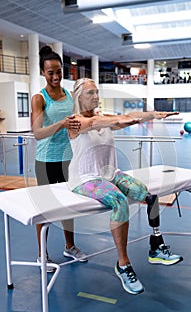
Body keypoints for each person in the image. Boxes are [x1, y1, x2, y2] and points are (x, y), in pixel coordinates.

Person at [67, 77, 183, 295]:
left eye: (97, 92)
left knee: (149, 196)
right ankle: (123, 264)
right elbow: (94, 123)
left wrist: (155, 115)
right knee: (119, 201)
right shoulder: (74, 121)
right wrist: (120, 119)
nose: (95, 97)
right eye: (90, 93)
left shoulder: (106, 119)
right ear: (78, 96)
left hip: (110, 173)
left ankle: (156, 247)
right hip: (84, 178)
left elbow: (129, 118)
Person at [31, 46, 87, 272]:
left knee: (69, 206)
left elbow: (77, 123)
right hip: (46, 161)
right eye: (50, 72)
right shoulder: (39, 98)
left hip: (68, 160)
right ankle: (41, 255)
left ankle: (70, 246)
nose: (55, 76)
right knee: (45, 210)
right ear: (43, 73)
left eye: (58, 71)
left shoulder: (70, 96)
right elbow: (37, 133)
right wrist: (61, 124)